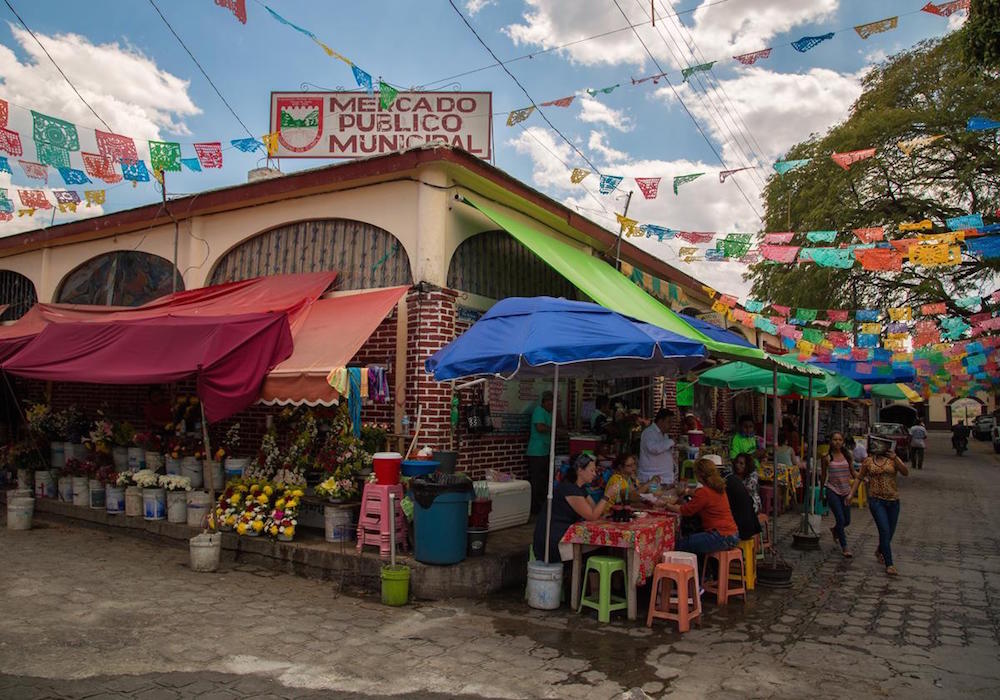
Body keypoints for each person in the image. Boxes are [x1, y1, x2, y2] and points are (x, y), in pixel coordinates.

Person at [532, 454, 619, 563]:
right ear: (580, 470)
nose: (594, 474)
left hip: (565, 535)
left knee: (603, 548)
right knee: (599, 550)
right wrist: (606, 495)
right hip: (553, 541)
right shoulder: (570, 490)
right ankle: (580, 577)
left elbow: (594, 509)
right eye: (591, 471)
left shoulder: (580, 489)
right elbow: (592, 516)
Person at [850, 437, 909, 576]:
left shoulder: (892, 460)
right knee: (884, 530)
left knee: (890, 532)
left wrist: (896, 459)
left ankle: (880, 549)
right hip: (876, 500)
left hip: (893, 500)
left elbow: (905, 472)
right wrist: (851, 494)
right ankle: (889, 564)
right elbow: (859, 477)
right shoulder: (869, 461)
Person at [664, 458, 740, 560]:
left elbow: (685, 510)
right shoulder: (718, 488)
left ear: (699, 475)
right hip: (732, 535)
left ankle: (685, 572)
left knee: (681, 544)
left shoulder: (704, 492)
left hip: (720, 536)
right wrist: (686, 491)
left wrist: (667, 505)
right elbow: (697, 493)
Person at [821, 431, 857, 558]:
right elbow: (824, 476)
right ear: (831, 441)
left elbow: (853, 472)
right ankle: (845, 546)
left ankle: (835, 530)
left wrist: (862, 478)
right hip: (832, 490)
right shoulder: (826, 457)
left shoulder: (847, 456)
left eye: (840, 440)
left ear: (843, 442)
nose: (837, 442)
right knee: (840, 519)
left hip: (846, 491)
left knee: (847, 520)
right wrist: (821, 492)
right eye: (835, 439)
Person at [718, 456, 762, 542]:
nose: (738, 465)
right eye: (737, 463)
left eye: (741, 464)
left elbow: (745, 492)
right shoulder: (732, 475)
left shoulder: (752, 476)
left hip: (752, 502)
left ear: (747, 465)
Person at [526, 391, 554, 515]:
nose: (550, 405)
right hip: (536, 451)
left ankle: (541, 505)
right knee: (537, 480)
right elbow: (540, 427)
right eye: (548, 403)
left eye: (552, 403)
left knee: (543, 480)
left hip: (545, 451)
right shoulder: (538, 411)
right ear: (543, 402)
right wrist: (553, 429)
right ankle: (534, 507)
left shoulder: (549, 413)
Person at [638, 408, 676, 488]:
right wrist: (671, 441)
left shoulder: (664, 434)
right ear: (660, 421)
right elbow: (654, 448)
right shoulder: (649, 432)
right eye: (669, 422)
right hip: (652, 478)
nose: (671, 425)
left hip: (664, 477)